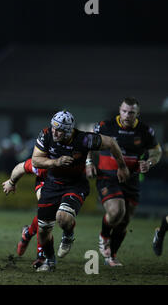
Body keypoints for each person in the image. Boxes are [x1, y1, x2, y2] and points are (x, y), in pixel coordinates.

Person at [31, 110, 129, 272]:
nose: (55, 132)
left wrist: (122, 166)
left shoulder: (84, 139)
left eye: (60, 129)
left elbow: (111, 142)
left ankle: (68, 233)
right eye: (54, 127)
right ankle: (50, 260)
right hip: (52, 184)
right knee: (43, 230)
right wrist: (56, 162)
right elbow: (36, 159)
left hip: (75, 185)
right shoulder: (46, 134)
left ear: (69, 130)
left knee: (62, 218)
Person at [86, 97, 162, 266]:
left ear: (137, 114)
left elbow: (157, 151)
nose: (127, 115)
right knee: (116, 211)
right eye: (124, 111)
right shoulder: (106, 126)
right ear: (120, 110)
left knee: (125, 220)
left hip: (132, 180)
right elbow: (89, 144)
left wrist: (149, 162)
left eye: (131, 112)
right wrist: (89, 162)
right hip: (107, 177)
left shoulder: (145, 131)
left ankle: (111, 256)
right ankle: (104, 236)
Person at [2, 158, 47, 268]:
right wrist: (11, 182)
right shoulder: (44, 161)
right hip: (46, 182)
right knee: (46, 215)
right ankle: (42, 257)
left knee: (58, 216)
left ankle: (28, 233)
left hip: (68, 185)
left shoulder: (73, 156)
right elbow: (21, 167)